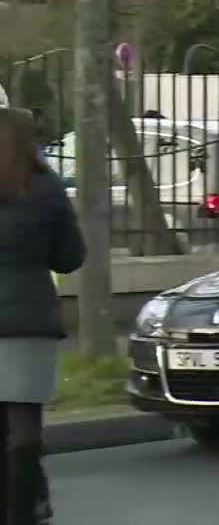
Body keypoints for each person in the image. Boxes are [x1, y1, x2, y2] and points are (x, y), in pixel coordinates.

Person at [0, 107, 85, 523]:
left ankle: (26, 502)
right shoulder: (46, 188)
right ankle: (25, 507)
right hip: (28, 317)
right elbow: (71, 257)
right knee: (24, 422)